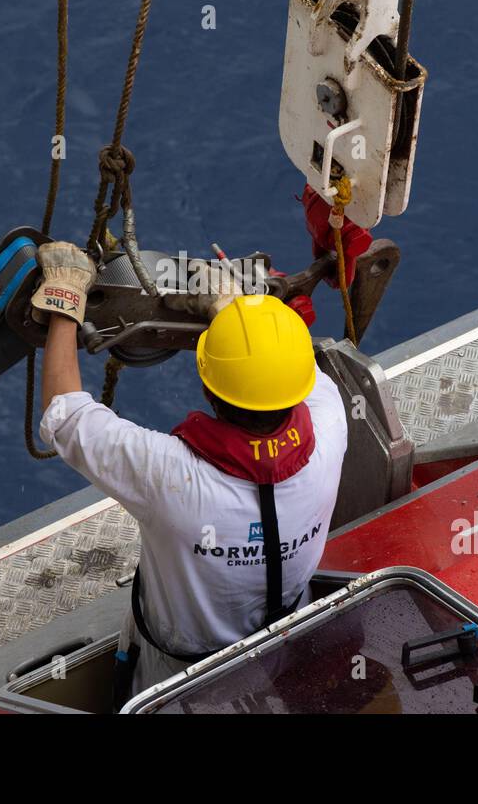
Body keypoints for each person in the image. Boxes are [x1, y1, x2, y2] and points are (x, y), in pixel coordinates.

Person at [32, 242, 349, 701]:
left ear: (207, 386)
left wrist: (64, 298)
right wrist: (235, 310)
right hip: (281, 654)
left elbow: (64, 415)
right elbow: (286, 369)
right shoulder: (330, 423)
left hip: (176, 679)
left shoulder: (171, 480)